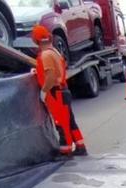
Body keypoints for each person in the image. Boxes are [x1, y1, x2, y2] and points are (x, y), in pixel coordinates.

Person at [31, 25, 87, 157]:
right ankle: (80, 146)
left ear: (36, 40)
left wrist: (44, 91)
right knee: (70, 121)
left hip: (55, 93)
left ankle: (66, 151)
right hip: (63, 90)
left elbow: (50, 77)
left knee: (61, 123)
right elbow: (53, 72)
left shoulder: (45, 55)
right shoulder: (54, 52)